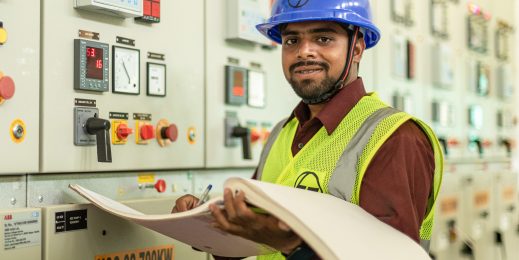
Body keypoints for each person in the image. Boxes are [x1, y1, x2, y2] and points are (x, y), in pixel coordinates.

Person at [173, 0, 443, 259]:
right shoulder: (283, 132)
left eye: (323, 39)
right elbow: (255, 234)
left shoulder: (394, 138)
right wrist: (206, 221)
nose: (304, 52)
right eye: (292, 41)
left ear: (357, 48)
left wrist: (292, 246)